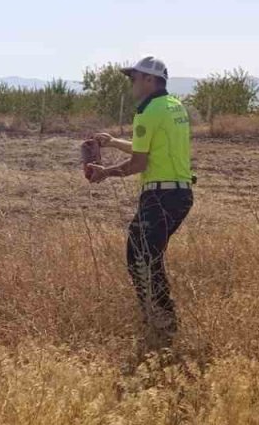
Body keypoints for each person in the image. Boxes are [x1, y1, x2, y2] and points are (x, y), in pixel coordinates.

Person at [83, 56, 193, 347]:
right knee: (146, 255)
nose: (131, 83)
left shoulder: (147, 111)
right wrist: (113, 142)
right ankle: (159, 319)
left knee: (140, 257)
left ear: (149, 80)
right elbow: (148, 148)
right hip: (179, 194)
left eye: (134, 78)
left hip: (160, 195)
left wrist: (105, 173)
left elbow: (139, 163)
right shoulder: (173, 106)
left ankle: (162, 323)